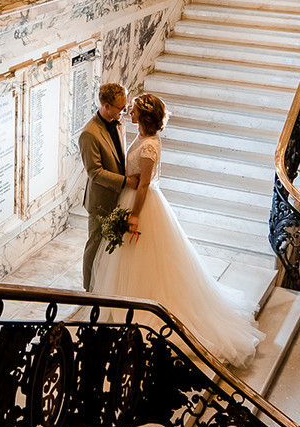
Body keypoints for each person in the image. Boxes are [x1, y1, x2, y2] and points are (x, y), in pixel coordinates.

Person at [90, 93, 260, 366]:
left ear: (143, 117)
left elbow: (144, 184)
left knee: (145, 260)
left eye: (132, 110)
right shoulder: (143, 137)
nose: (128, 113)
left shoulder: (149, 147)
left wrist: (134, 216)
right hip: (130, 199)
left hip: (141, 206)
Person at [78, 82, 131, 288]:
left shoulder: (119, 122)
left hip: (119, 195)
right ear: (106, 106)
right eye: (121, 107)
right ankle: (89, 287)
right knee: (95, 244)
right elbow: (95, 172)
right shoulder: (89, 134)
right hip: (101, 199)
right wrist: (125, 181)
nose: (124, 111)